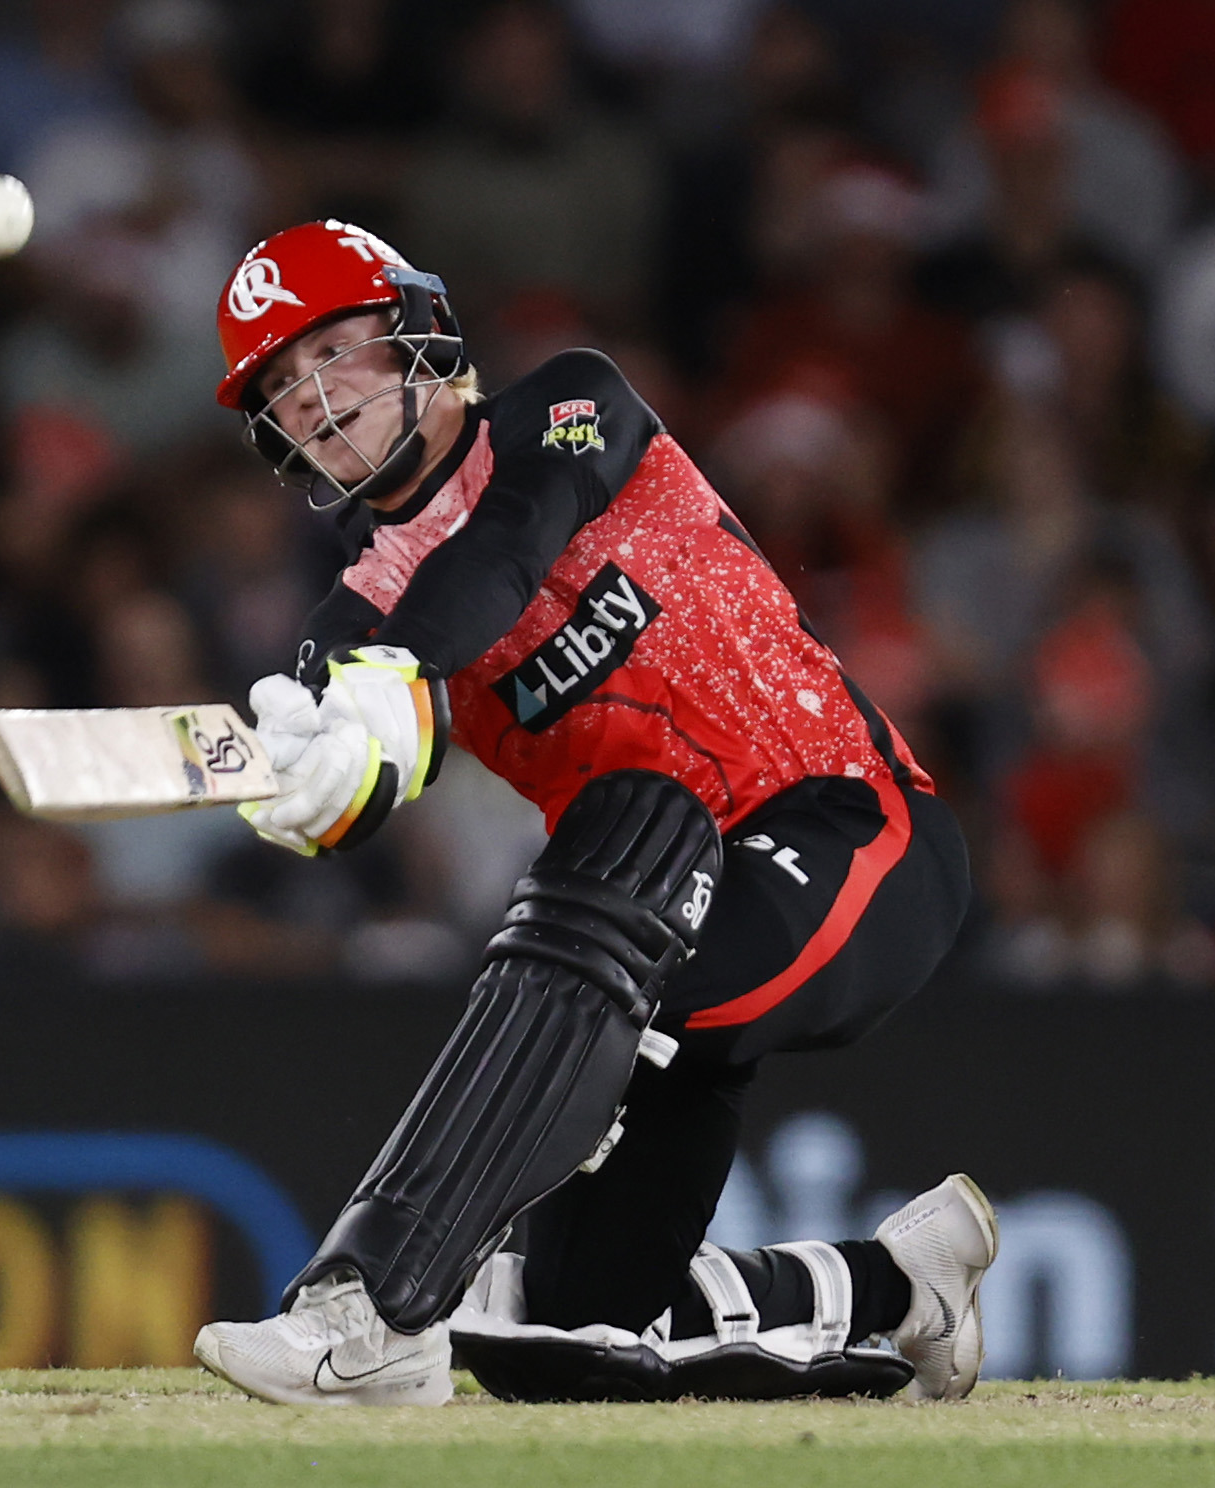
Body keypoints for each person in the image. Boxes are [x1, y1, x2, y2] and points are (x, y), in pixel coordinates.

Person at [189, 222, 988, 1406]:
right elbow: (355, 786)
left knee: (628, 814)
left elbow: (506, 543)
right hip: (651, 928)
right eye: (283, 391)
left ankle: (373, 1306)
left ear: (419, 333)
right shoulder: (345, 630)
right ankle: (902, 1284)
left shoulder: (573, 404)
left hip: (851, 835)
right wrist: (312, 790)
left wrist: (394, 674)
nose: (317, 404)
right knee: (573, 1337)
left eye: (335, 356)